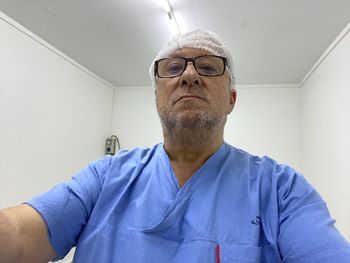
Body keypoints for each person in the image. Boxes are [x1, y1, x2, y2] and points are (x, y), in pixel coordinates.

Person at [0, 29, 350, 263]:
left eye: (209, 67)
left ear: (230, 99)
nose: (189, 75)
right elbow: (19, 234)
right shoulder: (106, 177)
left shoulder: (281, 191)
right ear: (157, 95)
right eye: (173, 67)